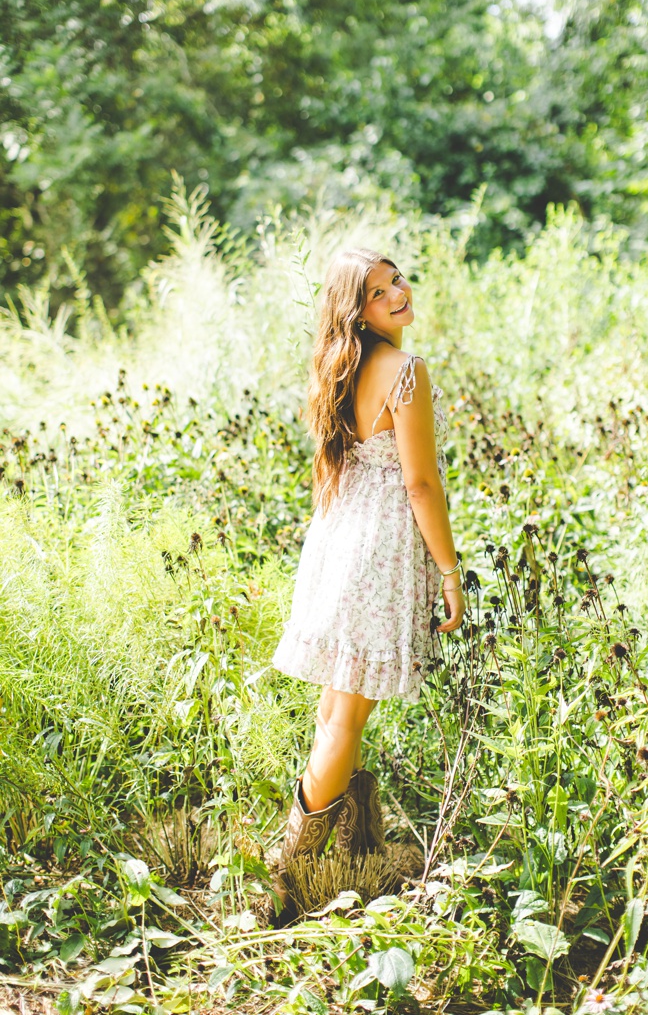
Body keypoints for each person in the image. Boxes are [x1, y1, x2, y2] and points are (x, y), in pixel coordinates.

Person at [265, 247, 466, 921]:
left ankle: (356, 849)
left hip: (337, 539)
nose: (398, 294)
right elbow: (419, 482)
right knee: (343, 720)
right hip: (376, 551)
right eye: (380, 291)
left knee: (335, 712)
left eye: (397, 280)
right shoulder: (405, 372)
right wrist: (448, 570)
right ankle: (285, 872)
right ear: (358, 309)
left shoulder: (339, 366)